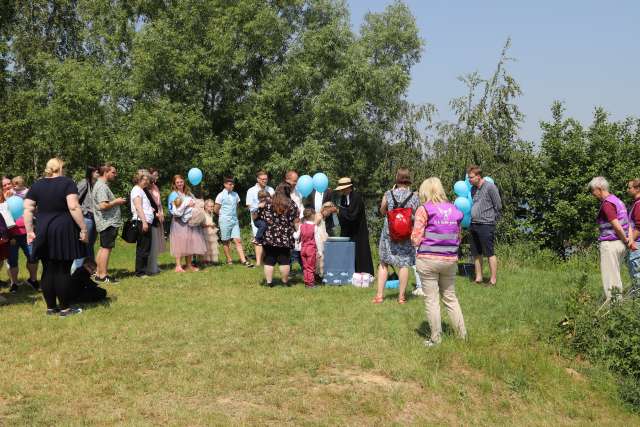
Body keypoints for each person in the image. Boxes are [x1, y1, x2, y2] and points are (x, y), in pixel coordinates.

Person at [24, 158, 88, 316]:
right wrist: (83, 228)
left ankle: (51, 308)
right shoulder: (67, 183)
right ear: (60, 168)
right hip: (63, 229)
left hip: (43, 229)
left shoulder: (37, 184)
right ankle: (65, 309)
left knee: (48, 269)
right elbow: (73, 206)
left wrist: (29, 231)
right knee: (63, 270)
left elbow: (27, 209)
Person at [412, 177, 467, 347]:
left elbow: (416, 238)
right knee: (450, 298)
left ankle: (436, 338)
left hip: (428, 260)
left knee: (432, 299)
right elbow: (458, 236)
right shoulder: (455, 210)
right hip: (449, 260)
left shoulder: (424, 209)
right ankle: (462, 336)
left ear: (425, 191)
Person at [372, 168, 420, 304]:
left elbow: (382, 211)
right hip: (405, 233)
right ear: (408, 179)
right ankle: (401, 297)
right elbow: (417, 214)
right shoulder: (414, 196)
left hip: (389, 233)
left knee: (384, 262)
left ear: (397, 178)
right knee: (404, 264)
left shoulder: (388, 193)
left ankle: (380, 296)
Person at [589, 176, 629, 301]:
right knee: (615, 276)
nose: (592, 194)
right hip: (620, 244)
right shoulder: (617, 201)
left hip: (611, 244)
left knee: (610, 279)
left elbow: (616, 225)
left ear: (599, 188)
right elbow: (627, 222)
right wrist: (626, 241)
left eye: (592, 191)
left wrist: (626, 240)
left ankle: (613, 308)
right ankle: (617, 305)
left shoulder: (607, 204)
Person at [256, 183, 299, 286]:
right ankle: (285, 282)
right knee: (284, 259)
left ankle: (269, 283)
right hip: (286, 236)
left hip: (269, 235)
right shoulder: (292, 204)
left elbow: (260, 216)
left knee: (269, 259)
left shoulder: (268, 203)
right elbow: (295, 220)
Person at [330, 177, 374, 276]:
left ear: (348, 188)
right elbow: (344, 215)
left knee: (360, 251)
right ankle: (348, 272)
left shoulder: (356, 198)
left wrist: (339, 210)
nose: (341, 191)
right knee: (347, 250)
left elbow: (353, 215)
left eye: (343, 189)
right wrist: (338, 212)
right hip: (347, 230)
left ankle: (364, 273)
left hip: (358, 230)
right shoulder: (343, 198)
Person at [467, 165, 502, 286]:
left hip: (486, 225)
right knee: (476, 253)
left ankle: (493, 280)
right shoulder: (473, 189)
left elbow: (498, 205)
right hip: (474, 224)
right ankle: (479, 278)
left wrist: (491, 218)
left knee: (489, 253)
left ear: (478, 176)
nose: (469, 180)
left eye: (471, 177)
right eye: (468, 178)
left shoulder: (490, 187)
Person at [92, 164, 126, 283]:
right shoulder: (102, 187)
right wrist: (117, 201)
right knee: (106, 248)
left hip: (105, 222)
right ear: (106, 172)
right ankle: (103, 276)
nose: (115, 175)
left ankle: (98, 273)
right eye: (113, 172)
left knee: (103, 248)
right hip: (107, 222)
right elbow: (103, 206)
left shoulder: (101, 185)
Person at [168, 175, 206, 272]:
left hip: (189, 221)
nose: (180, 184)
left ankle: (189, 265)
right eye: (177, 182)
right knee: (179, 243)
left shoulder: (187, 193)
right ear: (174, 184)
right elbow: (176, 211)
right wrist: (187, 205)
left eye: (181, 181)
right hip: (178, 223)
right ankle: (178, 266)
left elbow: (193, 203)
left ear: (184, 182)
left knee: (189, 242)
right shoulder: (174, 195)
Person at [214, 176, 253, 268]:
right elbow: (216, 209)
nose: (232, 186)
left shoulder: (235, 195)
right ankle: (229, 259)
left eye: (233, 184)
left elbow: (236, 207)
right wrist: (223, 216)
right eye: (230, 184)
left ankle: (243, 260)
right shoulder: (220, 195)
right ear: (225, 184)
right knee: (226, 241)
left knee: (238, 240)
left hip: (234, 220)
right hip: (224, 220)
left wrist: (235, 216)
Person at [246, 170, 275, 266]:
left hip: (269, 217)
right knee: (258, 238)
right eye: (262, 179)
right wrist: (259, 206)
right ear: (258, 179)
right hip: (256, 217)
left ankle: (266, 260)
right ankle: (258, 262)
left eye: (266, 179)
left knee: (267, 238)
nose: (264, 181)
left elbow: (274, 202)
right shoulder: (251, 190)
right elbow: (249, 206)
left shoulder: (271, 189)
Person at [73, 166, 99, 271]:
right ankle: (78, 269)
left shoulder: (96, 184)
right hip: (86, 218)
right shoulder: (84, 183)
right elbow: (75, 199)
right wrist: (83, 211)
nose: (99, 173)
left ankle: (90, 269)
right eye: (97, 172)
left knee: (90, 245)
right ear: (91, 172)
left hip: (94, 218)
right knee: (84, 245)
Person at [130, 170, 155, 278]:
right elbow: (138, 206)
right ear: (139, 179)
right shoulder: (136, 190)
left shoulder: (141, 190)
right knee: (143, 247)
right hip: (141, 221)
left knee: (146, 247)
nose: (147, 181)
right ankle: (140, 272)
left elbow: (143, 206)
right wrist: (144, 222)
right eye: (145, 179)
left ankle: (143, 270)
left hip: (145, 220)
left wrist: (150, 209)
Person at [145, 168, 166, 275]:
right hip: (151, 216)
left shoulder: (155, 187)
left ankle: (154, 264)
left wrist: (161, 213)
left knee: (156, 241)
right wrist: (155, 214)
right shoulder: (146, 189)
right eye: (155, 175)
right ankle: (150, 266)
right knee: (151, 242)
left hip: (158, 216)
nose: (157, 177)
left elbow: (159, 203)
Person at [294, 208, 321, 288]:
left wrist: (293, 233)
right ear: (313, 216)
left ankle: (306, 282)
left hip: (303, 249)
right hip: (311, 249)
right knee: (311, 267)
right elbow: (317, 240)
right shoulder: (314, 227)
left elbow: (296, 236)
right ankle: (311, 283)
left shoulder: (301, 226)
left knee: (305, 267)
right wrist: (319, 251)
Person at [626, 179, 640, 295]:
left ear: (637, 189)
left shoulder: (639, 204)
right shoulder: (635, 203)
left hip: (637, 243)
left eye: (629, 188)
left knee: (636, 273)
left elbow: (638, 228)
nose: (627, 190)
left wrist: (630, 242)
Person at [202, 199, 219, 265]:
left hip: (211, 232)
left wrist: (213, 225)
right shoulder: (203, 214)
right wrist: (209, 225)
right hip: (205, 233)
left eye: (213, 206)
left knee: (212, 247)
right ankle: (205, 260)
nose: (212, 208)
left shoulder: (211, 214)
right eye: (210, 206)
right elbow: (201, 225)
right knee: (206, 247)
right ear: (206, 206)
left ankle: (211, 260)